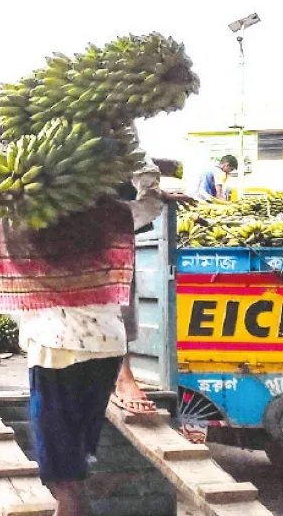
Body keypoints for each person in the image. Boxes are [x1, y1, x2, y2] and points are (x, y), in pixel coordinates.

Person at [0, 121, 135, 516]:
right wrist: (131, 140)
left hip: (58, 351)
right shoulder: (106, 218)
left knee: (60, 476)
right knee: (76, 463)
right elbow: (149, 200)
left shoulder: (14, 223)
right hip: (107, 345)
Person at [113, 150, 195, 414]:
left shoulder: (120, 127)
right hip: (89, 214)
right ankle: (120, 376)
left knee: (121, 294)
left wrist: (160, 194)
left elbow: (133, 165)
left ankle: (123, 375)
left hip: (118, 219)